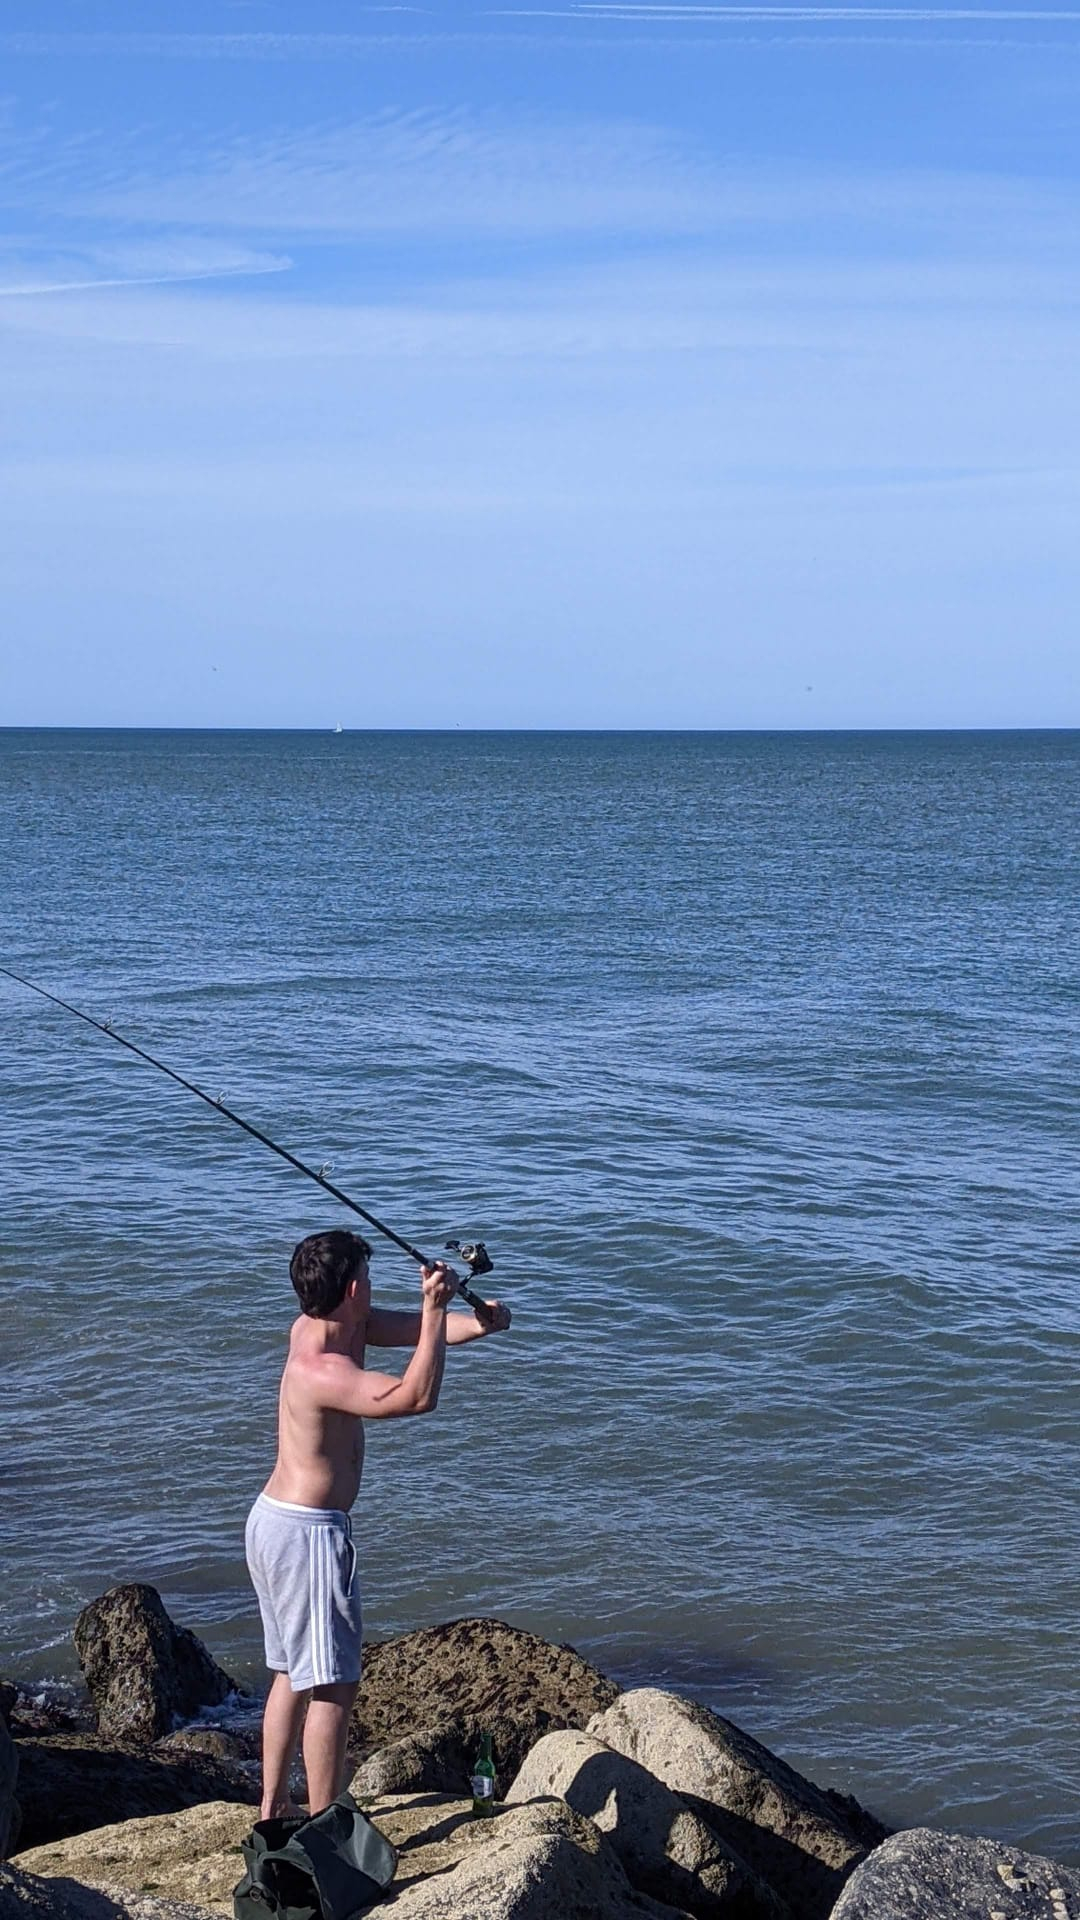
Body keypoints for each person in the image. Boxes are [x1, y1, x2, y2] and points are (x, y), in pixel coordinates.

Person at [244, 1227, 512, 1819]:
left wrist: (478, 1322)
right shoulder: (321, 1368)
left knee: (290, 1672)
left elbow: (418, 1333)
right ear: (355, 1286)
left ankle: (272, 1807)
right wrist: (435, 1306)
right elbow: (414, 1396)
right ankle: (325, 1822)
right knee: (334, 1687)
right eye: (368, 1274)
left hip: (276, 1524)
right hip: (307, 1535)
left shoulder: (329, 1324)